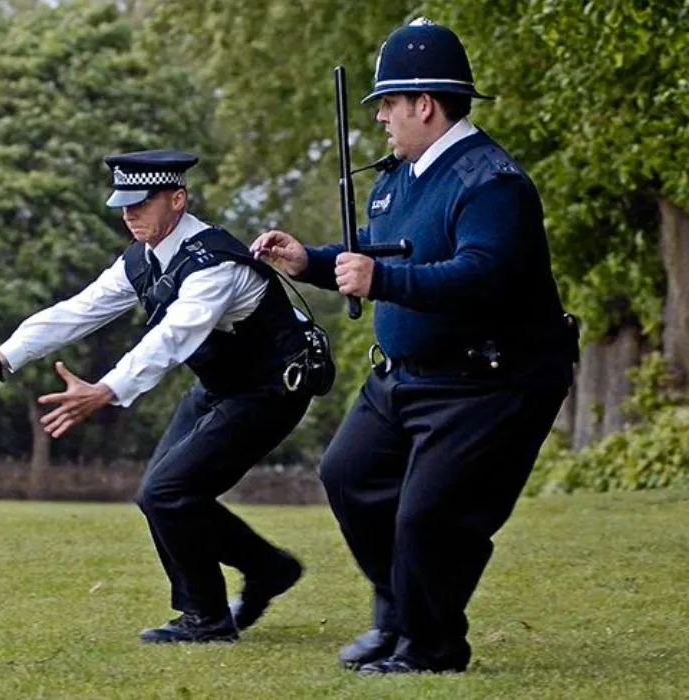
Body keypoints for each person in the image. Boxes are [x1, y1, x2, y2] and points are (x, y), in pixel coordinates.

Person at [251, 18, 580, 675]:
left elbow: (483, 275)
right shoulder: (398, 178)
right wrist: (307, 261)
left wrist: (384, 280)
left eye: (387, 106)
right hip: (404, 375)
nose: (380, 120)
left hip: (488, 380)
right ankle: (400, 617)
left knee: (428, 519)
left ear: (424, 105)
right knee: (349, 477)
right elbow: (373, 260)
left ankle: (431, 649)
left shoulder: (494, 184)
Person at [0, 149, 330, 644]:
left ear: (177, 200)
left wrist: (107, 389)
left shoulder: (214, 266)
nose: (128, 213)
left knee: (168, 493)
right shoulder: (143, 259)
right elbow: (78, 310)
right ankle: (267, 570)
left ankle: (207, 618)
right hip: (222, 387)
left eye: (140, 203)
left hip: (271, 391)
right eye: (123, 203)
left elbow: (173, 338)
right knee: (158, 496)